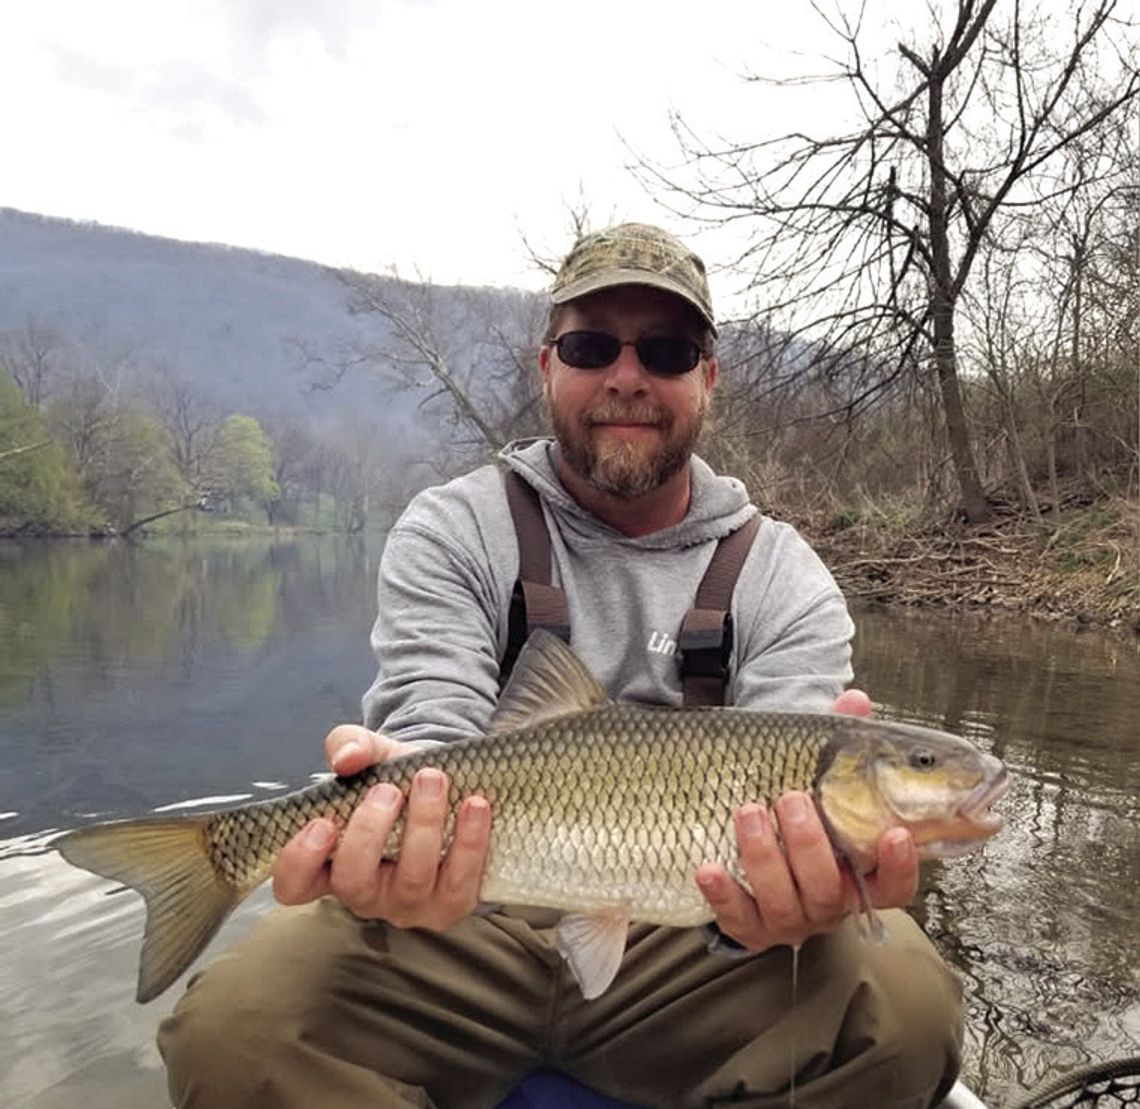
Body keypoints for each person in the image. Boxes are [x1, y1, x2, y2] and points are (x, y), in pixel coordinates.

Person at [158, 223, 964, 1108]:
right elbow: (432, 730)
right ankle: (221, 864)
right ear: (548, 366)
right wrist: (397, 828)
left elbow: (789, 830)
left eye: (665, 350)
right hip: (455, 923)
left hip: (691, 943)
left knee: (908, 1012)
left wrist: (774, 915)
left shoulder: (783, 575)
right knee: (228, 1033)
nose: (628, 376)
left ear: (709, 380)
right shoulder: (453, 528)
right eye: (591, 346)